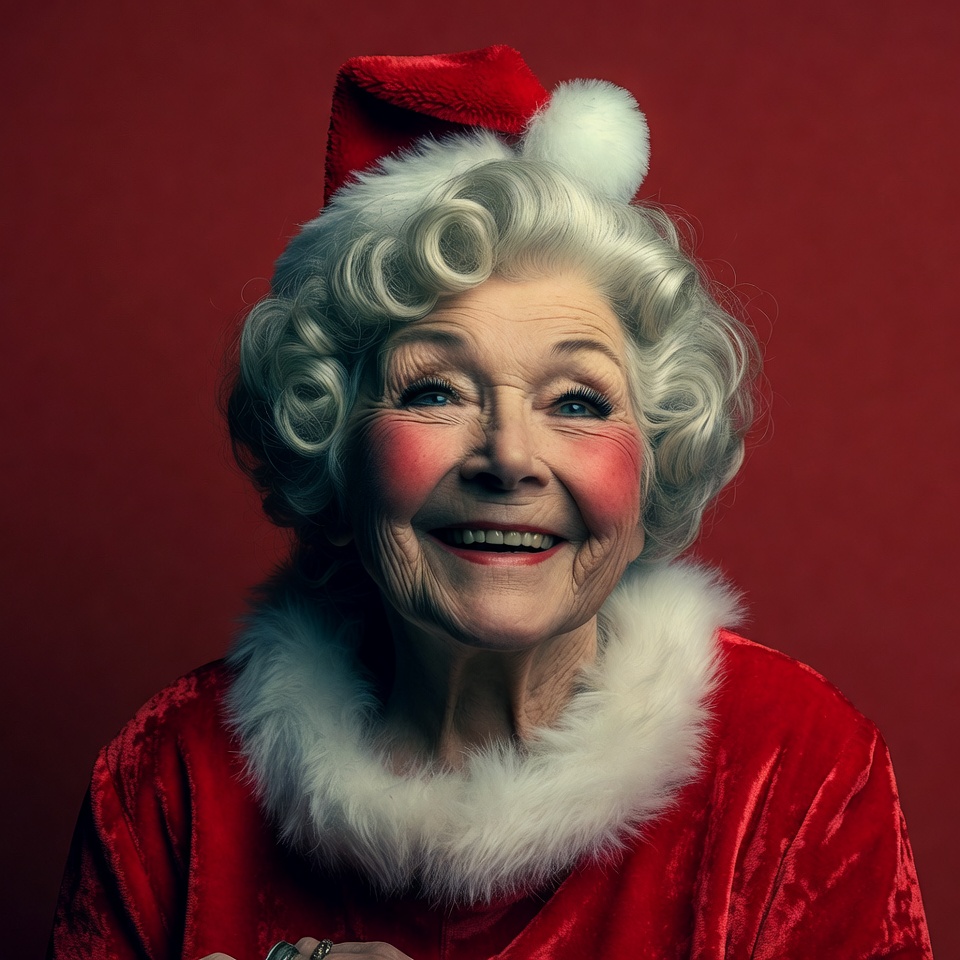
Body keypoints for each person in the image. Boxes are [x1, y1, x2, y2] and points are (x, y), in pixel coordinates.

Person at [48, 46, 932, 960]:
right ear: (337, 439)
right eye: (435, 391)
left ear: (654, 456)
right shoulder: (168, 779)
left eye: (578, 402)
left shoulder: (793, 768)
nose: (510, 458)